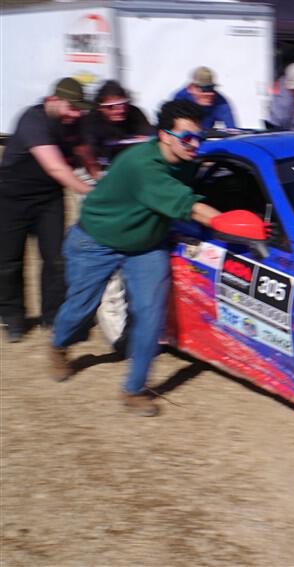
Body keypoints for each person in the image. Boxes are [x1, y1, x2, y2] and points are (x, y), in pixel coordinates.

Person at [49, 100, 221, 416]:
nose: (196, 145)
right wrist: (233, 223)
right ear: (164, 136)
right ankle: (59, 344)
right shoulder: (144, 166)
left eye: (200, 137)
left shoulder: (189, 156)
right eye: (187, 138)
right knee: (81, 308)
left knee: (150, 314)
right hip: (97, 240)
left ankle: (134, 390)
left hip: (146, 243)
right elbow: (193, 208)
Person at [0, 77, 94, 343]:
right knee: (8, 262)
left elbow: (84, 153)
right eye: (71, 107)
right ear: (53, 100)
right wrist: (92, 193)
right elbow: (56, 167)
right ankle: (13, 316)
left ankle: (53, 316)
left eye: (79, 108)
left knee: (56, 259)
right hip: (11, 198)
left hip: (48, 199)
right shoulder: (33, 120)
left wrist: (99, 179)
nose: (76, 113)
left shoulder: (74, 121)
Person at [80, 80, 154, 171]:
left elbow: (150, 137)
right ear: (100, 108)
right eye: (111, 107)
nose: (120, 110)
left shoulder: (135, 113)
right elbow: (90, 153)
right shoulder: (91, 122)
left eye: (123, 105)